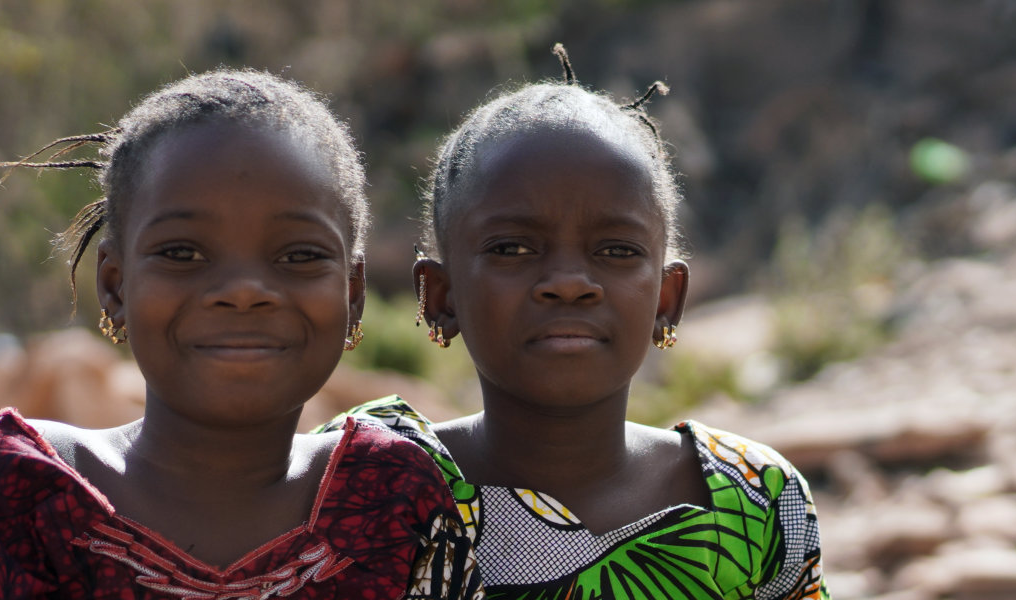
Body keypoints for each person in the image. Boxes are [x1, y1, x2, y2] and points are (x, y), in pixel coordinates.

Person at [0, 70, 479, 600]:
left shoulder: (394, 499)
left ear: (353, 296)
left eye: (299, 255)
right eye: (182, 253)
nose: (243, 290)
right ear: (114, 286)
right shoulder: (16, 497)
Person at [324, 46, 828, 599]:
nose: (568, 281)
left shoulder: (754, 502)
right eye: (512, 248)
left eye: (615, 250)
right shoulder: (368, 481)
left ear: (667, 297)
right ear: (440, 296)